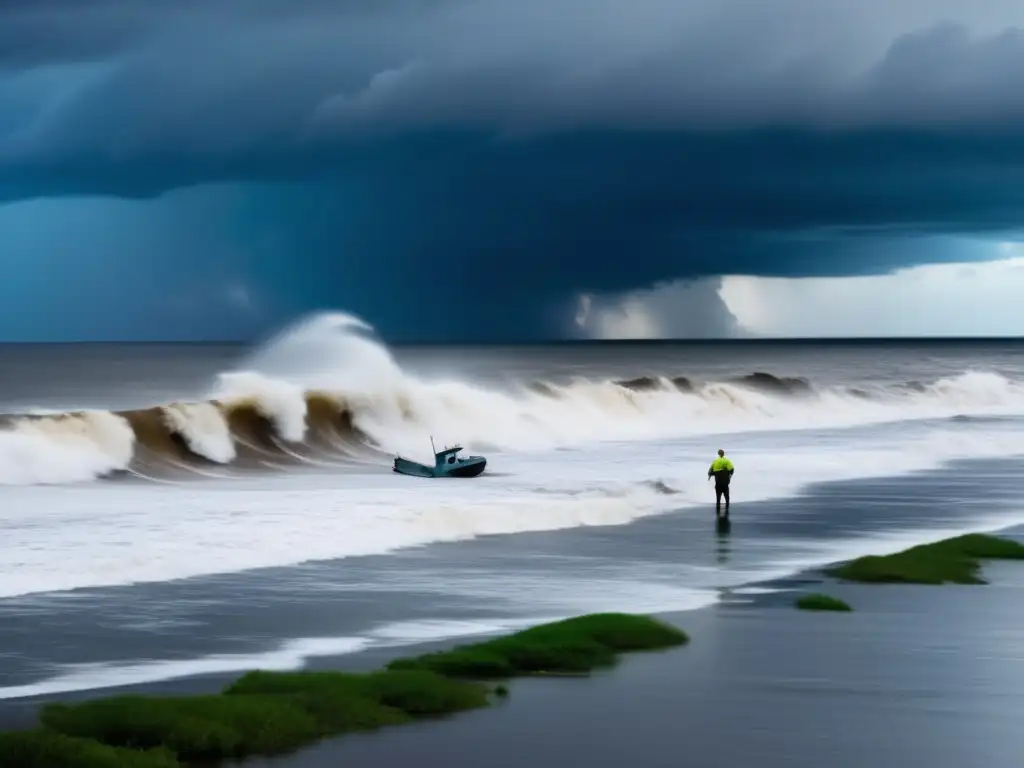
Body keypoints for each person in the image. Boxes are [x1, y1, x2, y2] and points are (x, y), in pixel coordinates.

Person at [707, 448, 735, 517]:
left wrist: (712, 475)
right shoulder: (727, 461)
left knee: (718, 498)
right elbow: (732, 469)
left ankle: (718, 513)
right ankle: (727, 512)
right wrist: (729, 475)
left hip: (718, 483)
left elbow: (710, 472)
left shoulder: (715, 461)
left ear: (718, 454)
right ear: (724, 454)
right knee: (727, 497)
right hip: (725, 483)